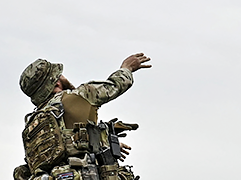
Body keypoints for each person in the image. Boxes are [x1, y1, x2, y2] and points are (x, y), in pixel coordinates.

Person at [14, 53, 152, 180]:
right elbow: (117, 84)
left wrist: (103, 141)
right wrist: (127, 67)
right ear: (56, 82)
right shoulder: (81, 95)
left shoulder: (33, 124)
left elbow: (63, 149)